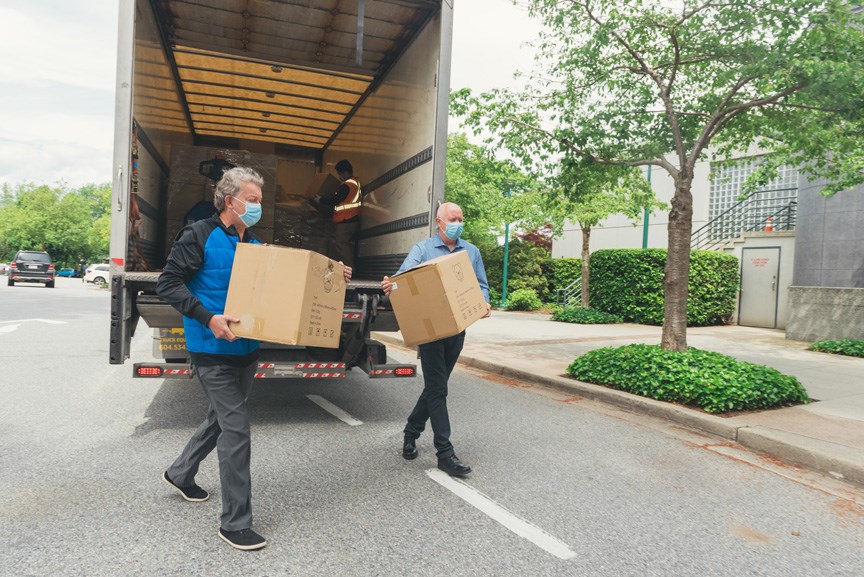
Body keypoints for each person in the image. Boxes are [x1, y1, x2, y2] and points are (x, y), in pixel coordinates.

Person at [156, 166, 352, 551]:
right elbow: (168, 283)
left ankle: (180, 473)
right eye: (253, 199)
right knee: (236, 427)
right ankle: (234, 523)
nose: (258, 206)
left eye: (259, 200)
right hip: (211, 350)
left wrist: (333, 273)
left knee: (220, 419)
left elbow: (294, 275)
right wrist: (208, 317)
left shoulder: (256, 246)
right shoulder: (199, 235)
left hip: (246, 350)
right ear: (230, 200)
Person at [380, 202, 491, 477]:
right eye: (453, 218)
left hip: (457, 330)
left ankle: (410, 431)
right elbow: (402, 279)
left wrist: (484, 303)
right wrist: (390, 285)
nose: (458, 222)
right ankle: (444, 452)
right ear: (439, 222)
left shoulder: (471, 252)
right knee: (439, 390)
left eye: (461, 218)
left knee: (435, 387)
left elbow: (482, 285)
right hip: (431, 333)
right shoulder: (423, 249)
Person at [317, 159, 362, 267]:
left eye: (340, 173)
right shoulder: (355, 184)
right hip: (351, 219)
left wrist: (320, 200)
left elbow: (335, 200)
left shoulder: (347, 185)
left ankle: (349, 268)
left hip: (347, 220)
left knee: (341, 244)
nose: (339, 176)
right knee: (344, 244)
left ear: (345, 172)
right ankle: (349, 267)